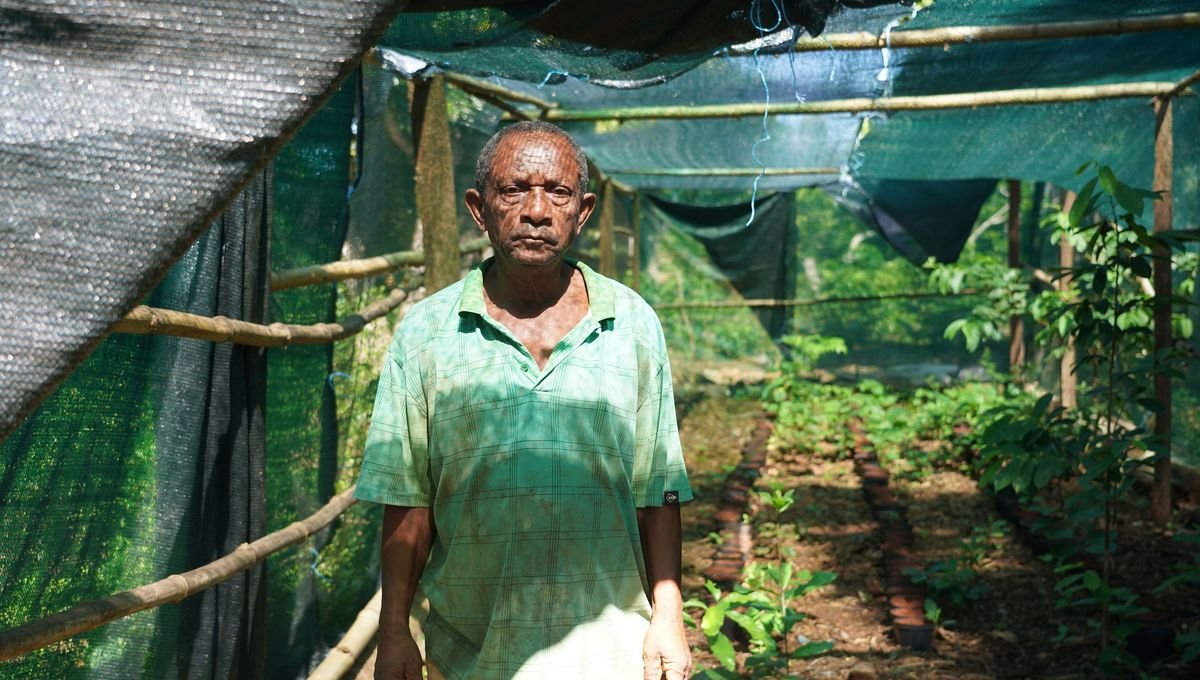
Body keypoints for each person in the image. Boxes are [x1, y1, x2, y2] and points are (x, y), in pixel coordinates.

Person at [355, 120, 693, 680]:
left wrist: (669, 617)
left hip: (610, 652)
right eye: (513, 190)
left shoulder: (631, 323)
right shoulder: (427, 333)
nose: (536, 210)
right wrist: (394, 634)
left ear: (582, 212)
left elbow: (657, 488)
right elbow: (407, 499)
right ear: (478, 207)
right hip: (470, 653)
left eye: (557, 192)